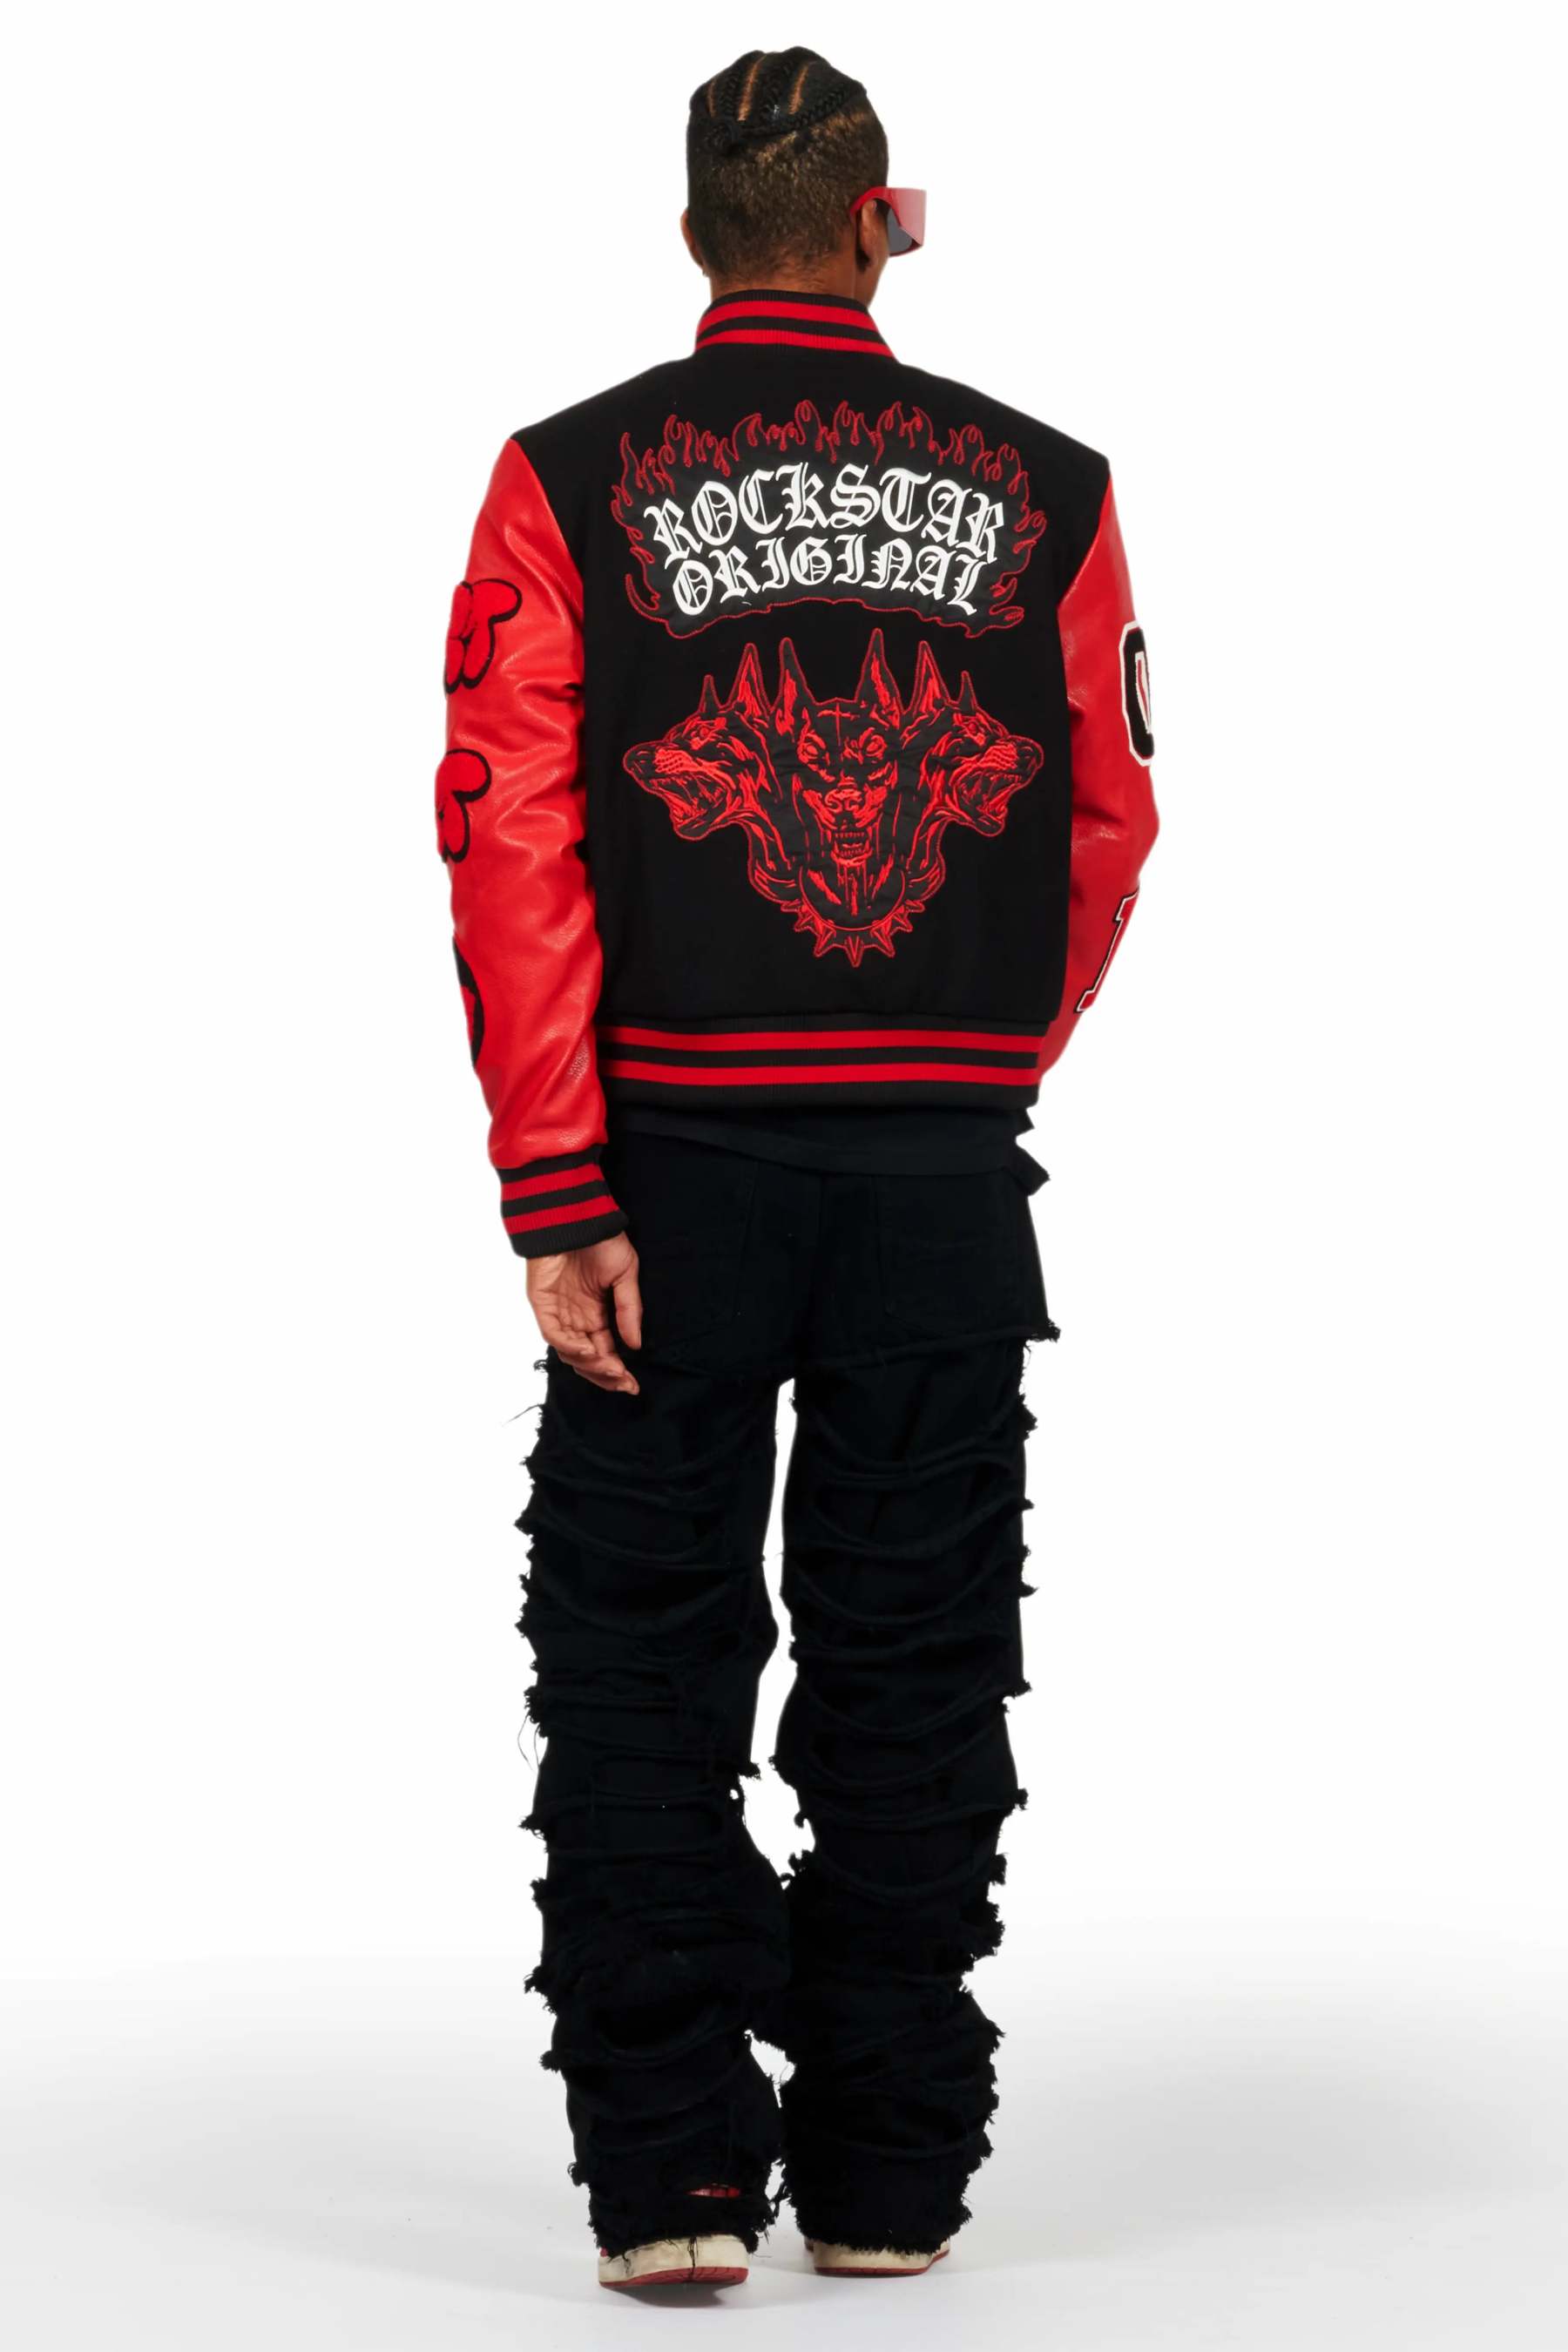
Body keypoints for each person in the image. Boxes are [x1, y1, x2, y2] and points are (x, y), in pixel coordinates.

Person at [437, 44, 1158, 2292]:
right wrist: (975, 1062)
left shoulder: (563, 480)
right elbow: (1112, 821)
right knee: (919, 1658)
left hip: (661, 1170)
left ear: (691, 240)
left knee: (637, 1652)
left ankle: (672, 2182)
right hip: (941, 1179)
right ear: (878, 224)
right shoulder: (1055, 490)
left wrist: (557, 1186)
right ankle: (888, 2179)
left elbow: (509, 844)